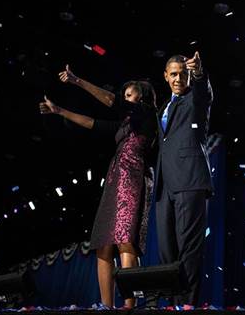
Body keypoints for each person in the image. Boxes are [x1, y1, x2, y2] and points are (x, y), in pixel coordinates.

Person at [39, 67, 157, 308]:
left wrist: (77, 81)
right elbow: (92, 123)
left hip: (132, 177)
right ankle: (106, 306)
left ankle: (129, 304)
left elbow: (110, 100)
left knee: (125, 240)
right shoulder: (123, 125)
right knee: (103, 243)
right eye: (125, 94)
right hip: (115, 179)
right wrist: (59, 110)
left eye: (130, 94)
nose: (125, 97)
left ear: (142, 97)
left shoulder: (146, 113)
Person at [155, 52, 213, 306]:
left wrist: (199, 74)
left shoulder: (195, 99)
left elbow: (204, 92)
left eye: (183, 73)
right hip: (164, 184)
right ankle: (171, 302)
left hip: (190, 179)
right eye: (174, 74)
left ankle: (187, 303)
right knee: (167, 248)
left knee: (189, 247)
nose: (179, 78)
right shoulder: (165, 107)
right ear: (166, 77)